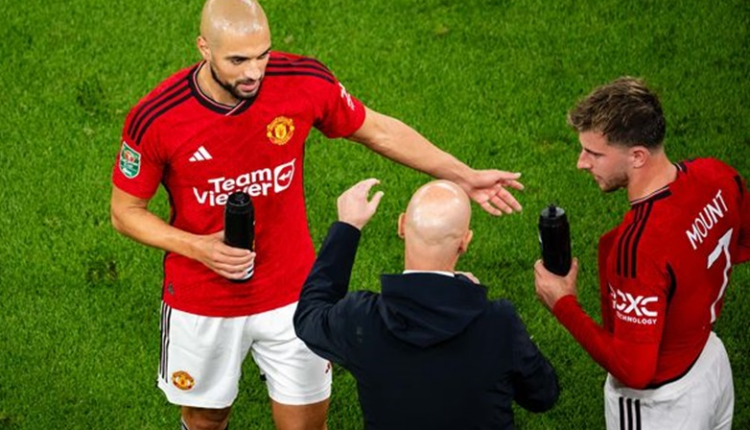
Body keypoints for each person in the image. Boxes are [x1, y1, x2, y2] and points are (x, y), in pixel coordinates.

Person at [110, 0, 524, 429]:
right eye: (238, 60)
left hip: (294, 293)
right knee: (204, 421)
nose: (254, 72)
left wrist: (463, 175)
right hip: (203, 298)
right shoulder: (157, 117)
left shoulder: (302, 82)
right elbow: (125, 212)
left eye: (262, 55)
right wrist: (197, 247)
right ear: (204, 48)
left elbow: (378, 131)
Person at [534, 77, 750, 430]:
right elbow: (742, 243)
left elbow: (634, 370)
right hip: (711, 366)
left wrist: (563, 304)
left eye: (594, 153)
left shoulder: (638, 249)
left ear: (637, 156)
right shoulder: (718, 175)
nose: (581, 163)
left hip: (663, 406)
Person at [294, 178, 559, 430]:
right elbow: (543, 395)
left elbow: (308, 316)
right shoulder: (499, 322)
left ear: (401, 225)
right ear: (465, 241)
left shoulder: (361, 318)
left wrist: (348, 227)